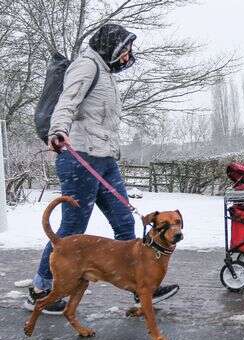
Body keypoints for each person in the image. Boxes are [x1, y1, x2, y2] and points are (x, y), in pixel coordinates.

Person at [25, 24, 179, 314]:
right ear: (112, 45)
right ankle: (41, 288)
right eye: (125, 50)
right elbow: (67, 102)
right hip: (80, 158)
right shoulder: (86, 67)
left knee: (125, 222)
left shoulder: (105, 73)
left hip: (105, 159)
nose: (127, 56)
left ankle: (142, 286)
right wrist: (58, 130)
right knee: (72, 229)